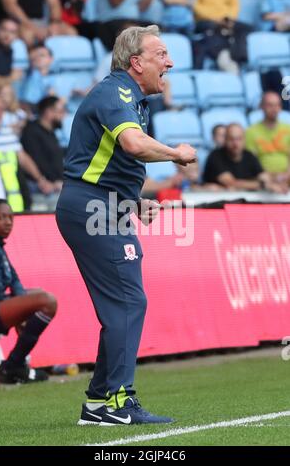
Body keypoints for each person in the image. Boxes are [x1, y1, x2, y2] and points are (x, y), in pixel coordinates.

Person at [55, 24, 196, 425]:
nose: (169, 62)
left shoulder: (131, 98)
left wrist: (134, 202)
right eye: (161, 55)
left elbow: (106, 162)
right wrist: (177, 154)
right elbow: (133, 146)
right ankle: (117, 402)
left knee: (125, 303)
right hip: (92, 208)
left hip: (105, 206)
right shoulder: (116, 92)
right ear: (137, 63)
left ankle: (100, 403)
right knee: (128, 303)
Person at [0, 198, 58, 383]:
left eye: (11, 217)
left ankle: (17, 365)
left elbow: (14, 279)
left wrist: (21, 307)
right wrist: (19, 310)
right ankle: (13, 365)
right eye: (1, 217)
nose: (8, 222)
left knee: (36, 296)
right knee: (47, 302)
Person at [203, 123, 285, 192]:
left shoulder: (249, 155)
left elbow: (263, 176)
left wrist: (275, 184)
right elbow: (231, 182)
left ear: (244, 140)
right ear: (225, 140)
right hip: (216, 205)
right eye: (231, 139)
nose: (235, 143)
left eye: (239, 139)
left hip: (244, 204)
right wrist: (262, 184)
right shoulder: (215, 156)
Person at [21, 96, 65, 200]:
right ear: (48, 112)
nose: (63, 115)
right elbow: (37, 160)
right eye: (61, 111)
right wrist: (53, 182)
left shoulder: (51, 133)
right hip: (41, 189)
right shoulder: (31, 131)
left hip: (55, 187)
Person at [246, 92, 290, 190]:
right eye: (270, 105)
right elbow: (252, 162)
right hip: (263, 181)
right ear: (261, 106)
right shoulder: (251, 132)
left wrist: (286, 176)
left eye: (277, 105)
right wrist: (272, 178)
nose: (274, 109)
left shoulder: (288, 129)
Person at [0, 0, 77, 47]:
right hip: (13, 22)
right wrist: (34, 29)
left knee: (71, 32)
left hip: (39, 22)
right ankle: (32, 68)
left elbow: (54, 3)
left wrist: (54, 23)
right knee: (28, 35)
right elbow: (10, 6)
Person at [0, 18, 23, 86]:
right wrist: (10, 79)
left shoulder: (14, 50)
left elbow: (18, 76)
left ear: (17, 35)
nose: (7, 35)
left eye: (12, 32)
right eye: (4, 30)